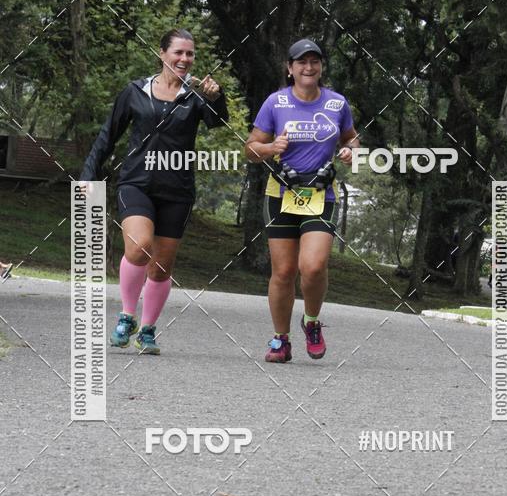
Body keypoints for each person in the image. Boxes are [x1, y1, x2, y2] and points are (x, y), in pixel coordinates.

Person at [80, 28, 227, 354]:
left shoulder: (196, 95)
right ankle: (127, 315)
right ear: (162, 54)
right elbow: (108, 136)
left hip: (177, 190)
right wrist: (88, 177)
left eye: (190, 54)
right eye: (178, 52)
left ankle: (147, 330)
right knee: (139, 246)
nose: (185, 59)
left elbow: (219, 122)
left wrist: (217, 97)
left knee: (161, 265)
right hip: (136, 183)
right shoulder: (135, 91)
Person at [245, 39, 357, 363]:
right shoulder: (275, 103)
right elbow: (250, 149)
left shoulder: (336, 103)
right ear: (290, 68)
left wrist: (352, 151)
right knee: (283, 272)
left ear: (321, 66)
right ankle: (281, 340)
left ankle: (311, 321)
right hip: (281, 193)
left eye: (315, 62)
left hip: (321, 194)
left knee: (313, 265)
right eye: (301, 62)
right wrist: (270, 148)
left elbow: (351, 137)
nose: (309, 68)